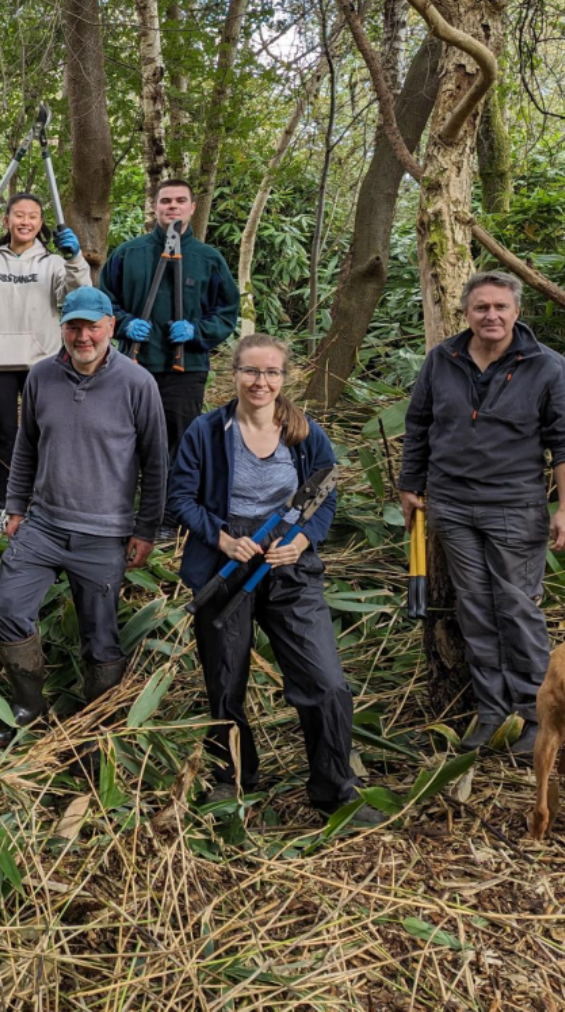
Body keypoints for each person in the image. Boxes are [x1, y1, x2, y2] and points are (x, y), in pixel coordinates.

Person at [168, 334, 384, 824]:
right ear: (234, 373)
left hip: (289, 564)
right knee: (225, 680)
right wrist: (222, 539)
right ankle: (232, 779)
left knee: (325, 680)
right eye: (250, 371)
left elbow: (325, 494)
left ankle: (334, 787)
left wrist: (305, 539)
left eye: (271, 373)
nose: (260, 382)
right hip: (226, 563)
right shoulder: (206, 431)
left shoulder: (308, 435)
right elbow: (180, 498)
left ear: (285, 378)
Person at [398, 270, 565, 756]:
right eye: (482, 307)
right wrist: (410, 485)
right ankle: (491, 716)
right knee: (475, 611)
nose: (492, 316)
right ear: (466, 312)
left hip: (514, 506)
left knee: (517, 610)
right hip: (452, 506)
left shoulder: (547, 366)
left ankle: (535, 718)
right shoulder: (443, 359)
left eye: (501, 307)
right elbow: (418, 425)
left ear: (516, 311)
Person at [0, 287, 168, 748]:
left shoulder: (138, 384)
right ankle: (28, 705)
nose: (83, 336)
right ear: (61, 327)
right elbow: (25, 446)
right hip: (43, 524)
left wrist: (146, 529)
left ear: (111, 328)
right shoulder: (41, 376)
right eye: (73, 326)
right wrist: (15, 507)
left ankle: (97, 728)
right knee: (6, 607)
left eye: (92, 326)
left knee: (100, 636)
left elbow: (157, 461)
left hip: (105, 533)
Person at [0, 192, 90, 529]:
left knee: (45, 433)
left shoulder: (53, 263)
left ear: (41, 224)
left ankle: (44, 505)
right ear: (6, 220)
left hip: (42, 364)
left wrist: (75, 259)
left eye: (33, 216)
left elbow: (76, 297)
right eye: (19, 215)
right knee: (5, 435)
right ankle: (5, 505)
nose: (25, 222)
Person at [99, 178, 239, 460]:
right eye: (166, 201)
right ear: (155, 207)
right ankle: (122, 504)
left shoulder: (208, 258)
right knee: (124, 446)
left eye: (180, 201)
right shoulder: (128, 253)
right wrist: (124, 325)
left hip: (185, 371)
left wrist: (197, 331)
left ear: (192, 208)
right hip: (132, 368)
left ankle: (169, 505)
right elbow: (104, 303)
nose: (173, 206)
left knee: (178, 449)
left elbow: (227, 311)